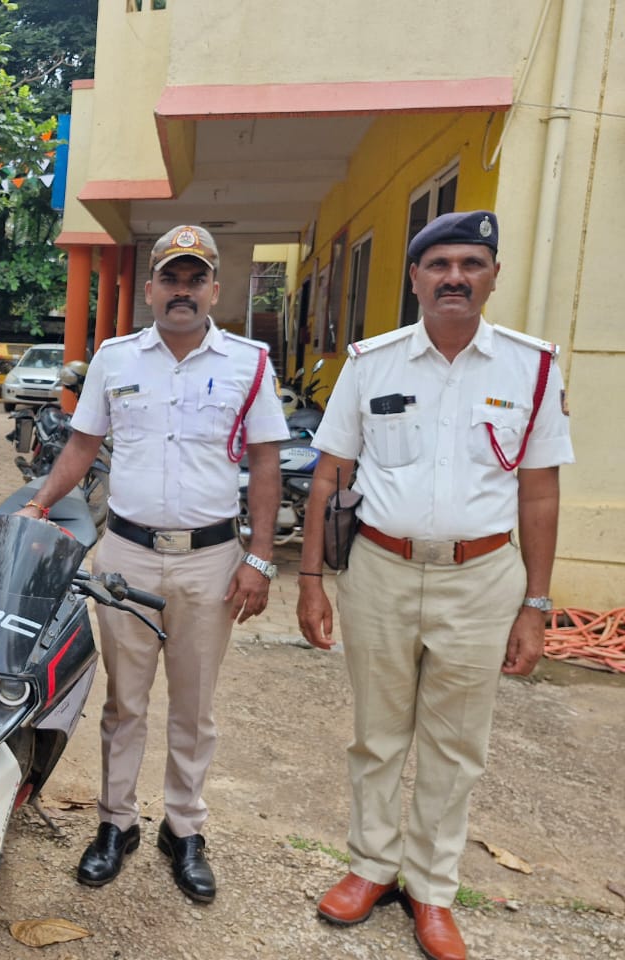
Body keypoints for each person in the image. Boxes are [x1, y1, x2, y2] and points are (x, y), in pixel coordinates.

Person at [297, 211, 574, 960]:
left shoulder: (532, 367)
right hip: (381, 571)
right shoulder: (371, 361)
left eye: (471, 263)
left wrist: (536, 605)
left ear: (492, 275)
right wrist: (312, 580)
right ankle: (370, 867)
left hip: (484, 576)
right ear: (415, 277)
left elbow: (540, 493)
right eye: (440, 264)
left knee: (456, 745)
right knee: (377, 734)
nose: (455, 277)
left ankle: (432, 890)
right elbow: (332, 474)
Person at [17, 225, 288, 902]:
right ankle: (116, 822)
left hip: (211, 559)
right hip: (128, 555)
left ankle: (184, 829)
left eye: (196, 280)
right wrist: (40, 504)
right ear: (150, 289)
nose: (183, 291)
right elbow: (82, 447)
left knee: (195, 707)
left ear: (215, 290)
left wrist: (260, 557)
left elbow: (264, 464)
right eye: (171, 278)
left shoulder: (249, 362)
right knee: (123, 702)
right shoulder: (114, 358)